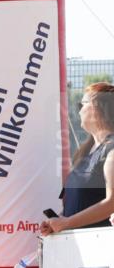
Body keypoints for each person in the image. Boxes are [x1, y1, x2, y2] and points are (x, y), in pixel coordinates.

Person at [41, 82, 114, 235]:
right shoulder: (87, 151)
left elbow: (111, 203)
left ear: (98, 108)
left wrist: (67, 223)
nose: (79, 110)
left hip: (99, 243)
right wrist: (59, 221)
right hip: (77, 243)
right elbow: (82, 202)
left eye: (82, 104)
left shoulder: (111, 149)